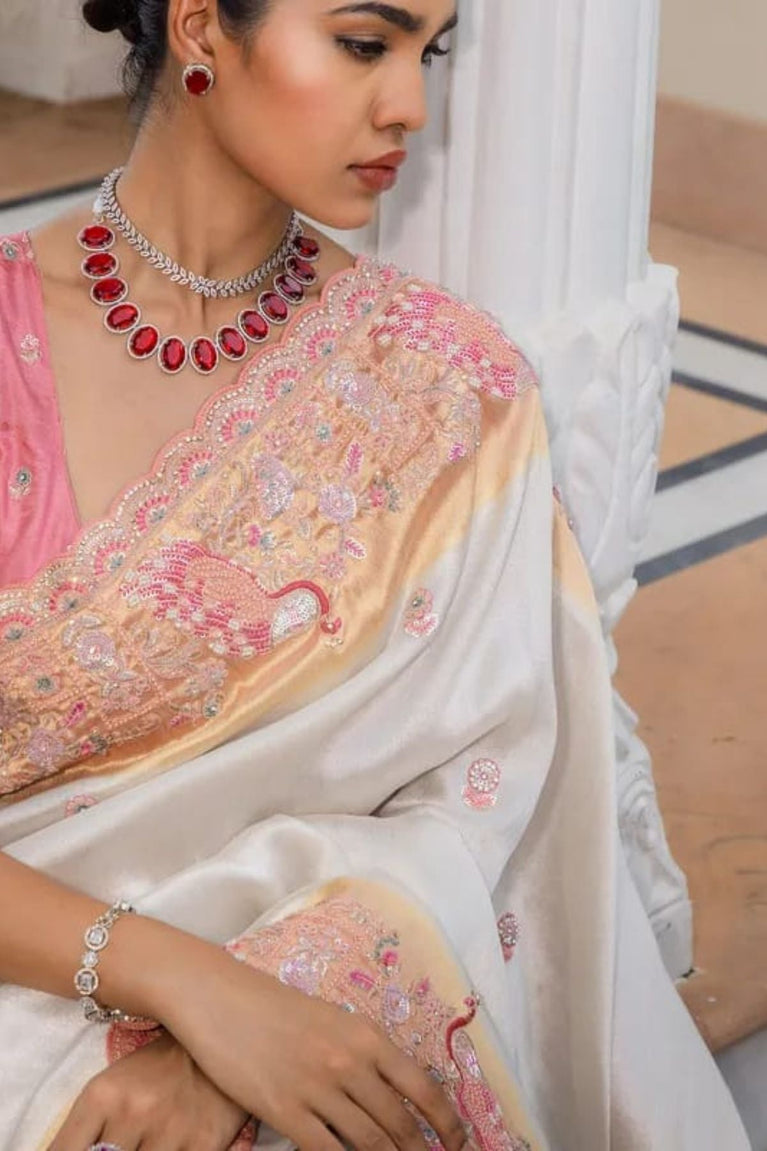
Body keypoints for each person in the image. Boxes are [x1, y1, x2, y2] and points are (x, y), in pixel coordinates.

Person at [0, 1, 751, 1148]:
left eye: (428, 52)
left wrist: (268, 1009)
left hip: (303, 969)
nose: (409, 106)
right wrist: (183, 983)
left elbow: (487, 795)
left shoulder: (442, 390)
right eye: (364, 43)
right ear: (200, 27)